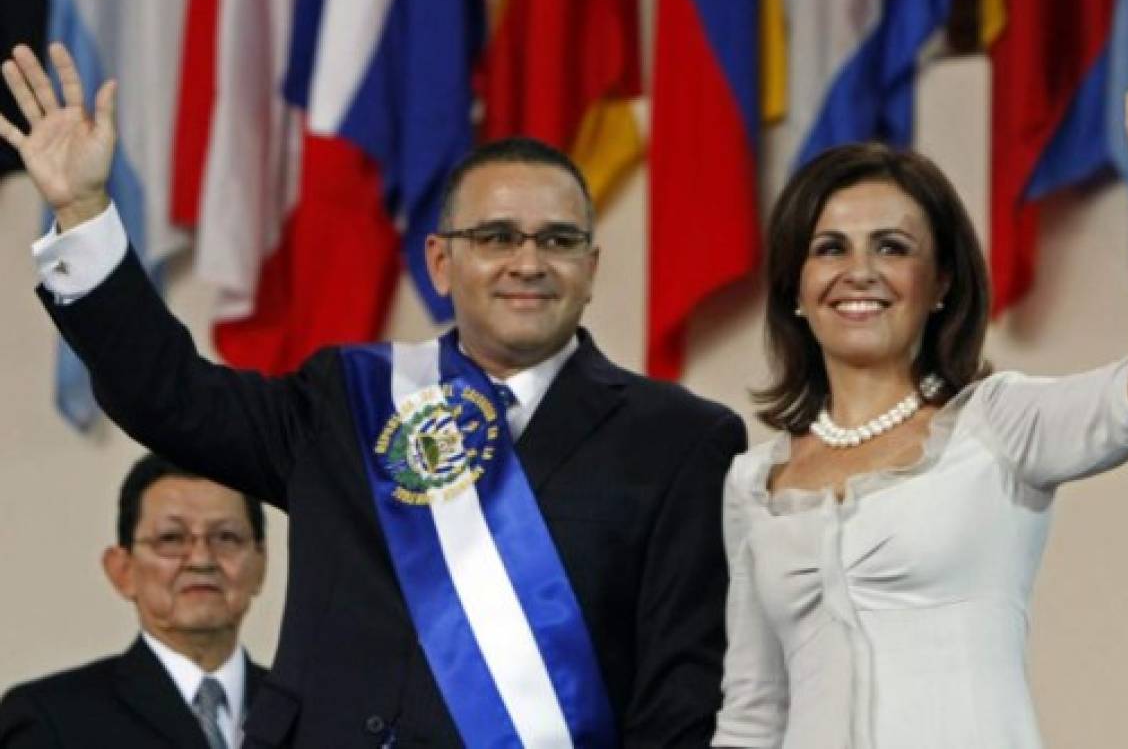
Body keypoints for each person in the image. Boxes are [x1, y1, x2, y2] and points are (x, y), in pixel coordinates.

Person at [0, 43, 746, 747]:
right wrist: (84, 213)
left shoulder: (679, 438)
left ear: (590, 266)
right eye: (495, 237)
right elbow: (169, 396)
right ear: (442, 261)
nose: (528, 262)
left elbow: (679, 690)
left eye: (557, 240)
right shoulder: (348, 398)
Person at [711, 48, 1128, 748]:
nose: (859, 273)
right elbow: (752, 714)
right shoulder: (753, 482)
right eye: (829, 249)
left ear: (941, 282)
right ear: (794, 286)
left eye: (891, 248)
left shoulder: (999, 425)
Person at [0, 454, 269, 749]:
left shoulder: (314, 710)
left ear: (260, 564)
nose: (202, 560)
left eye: (226, 537)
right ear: (122, 569)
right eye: (171, 538)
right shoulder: (50, 719)